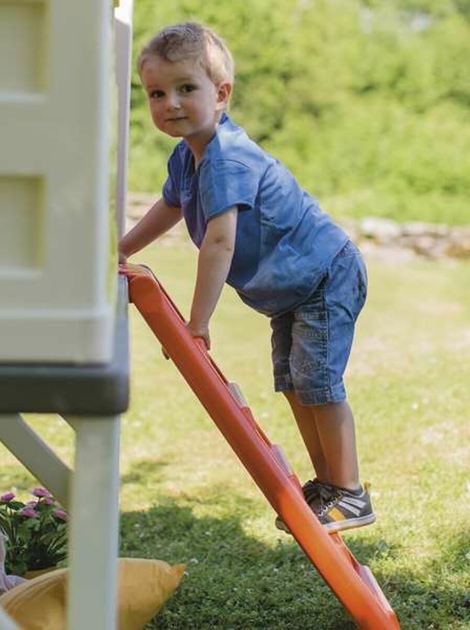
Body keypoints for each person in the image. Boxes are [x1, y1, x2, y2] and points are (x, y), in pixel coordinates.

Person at [119, 22, 375, 533]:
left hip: (325, 276)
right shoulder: (186, 157)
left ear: (221, 93)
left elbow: (220, 241)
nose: (170, 102)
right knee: (295, 384)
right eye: (156, 92)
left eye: (186, 88)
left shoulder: (227, 158)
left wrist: (197, 323)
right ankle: (328, 486)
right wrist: (119, 249)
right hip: (293, 292)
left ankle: (350, 492)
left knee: (318, 382)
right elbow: (170, 207)